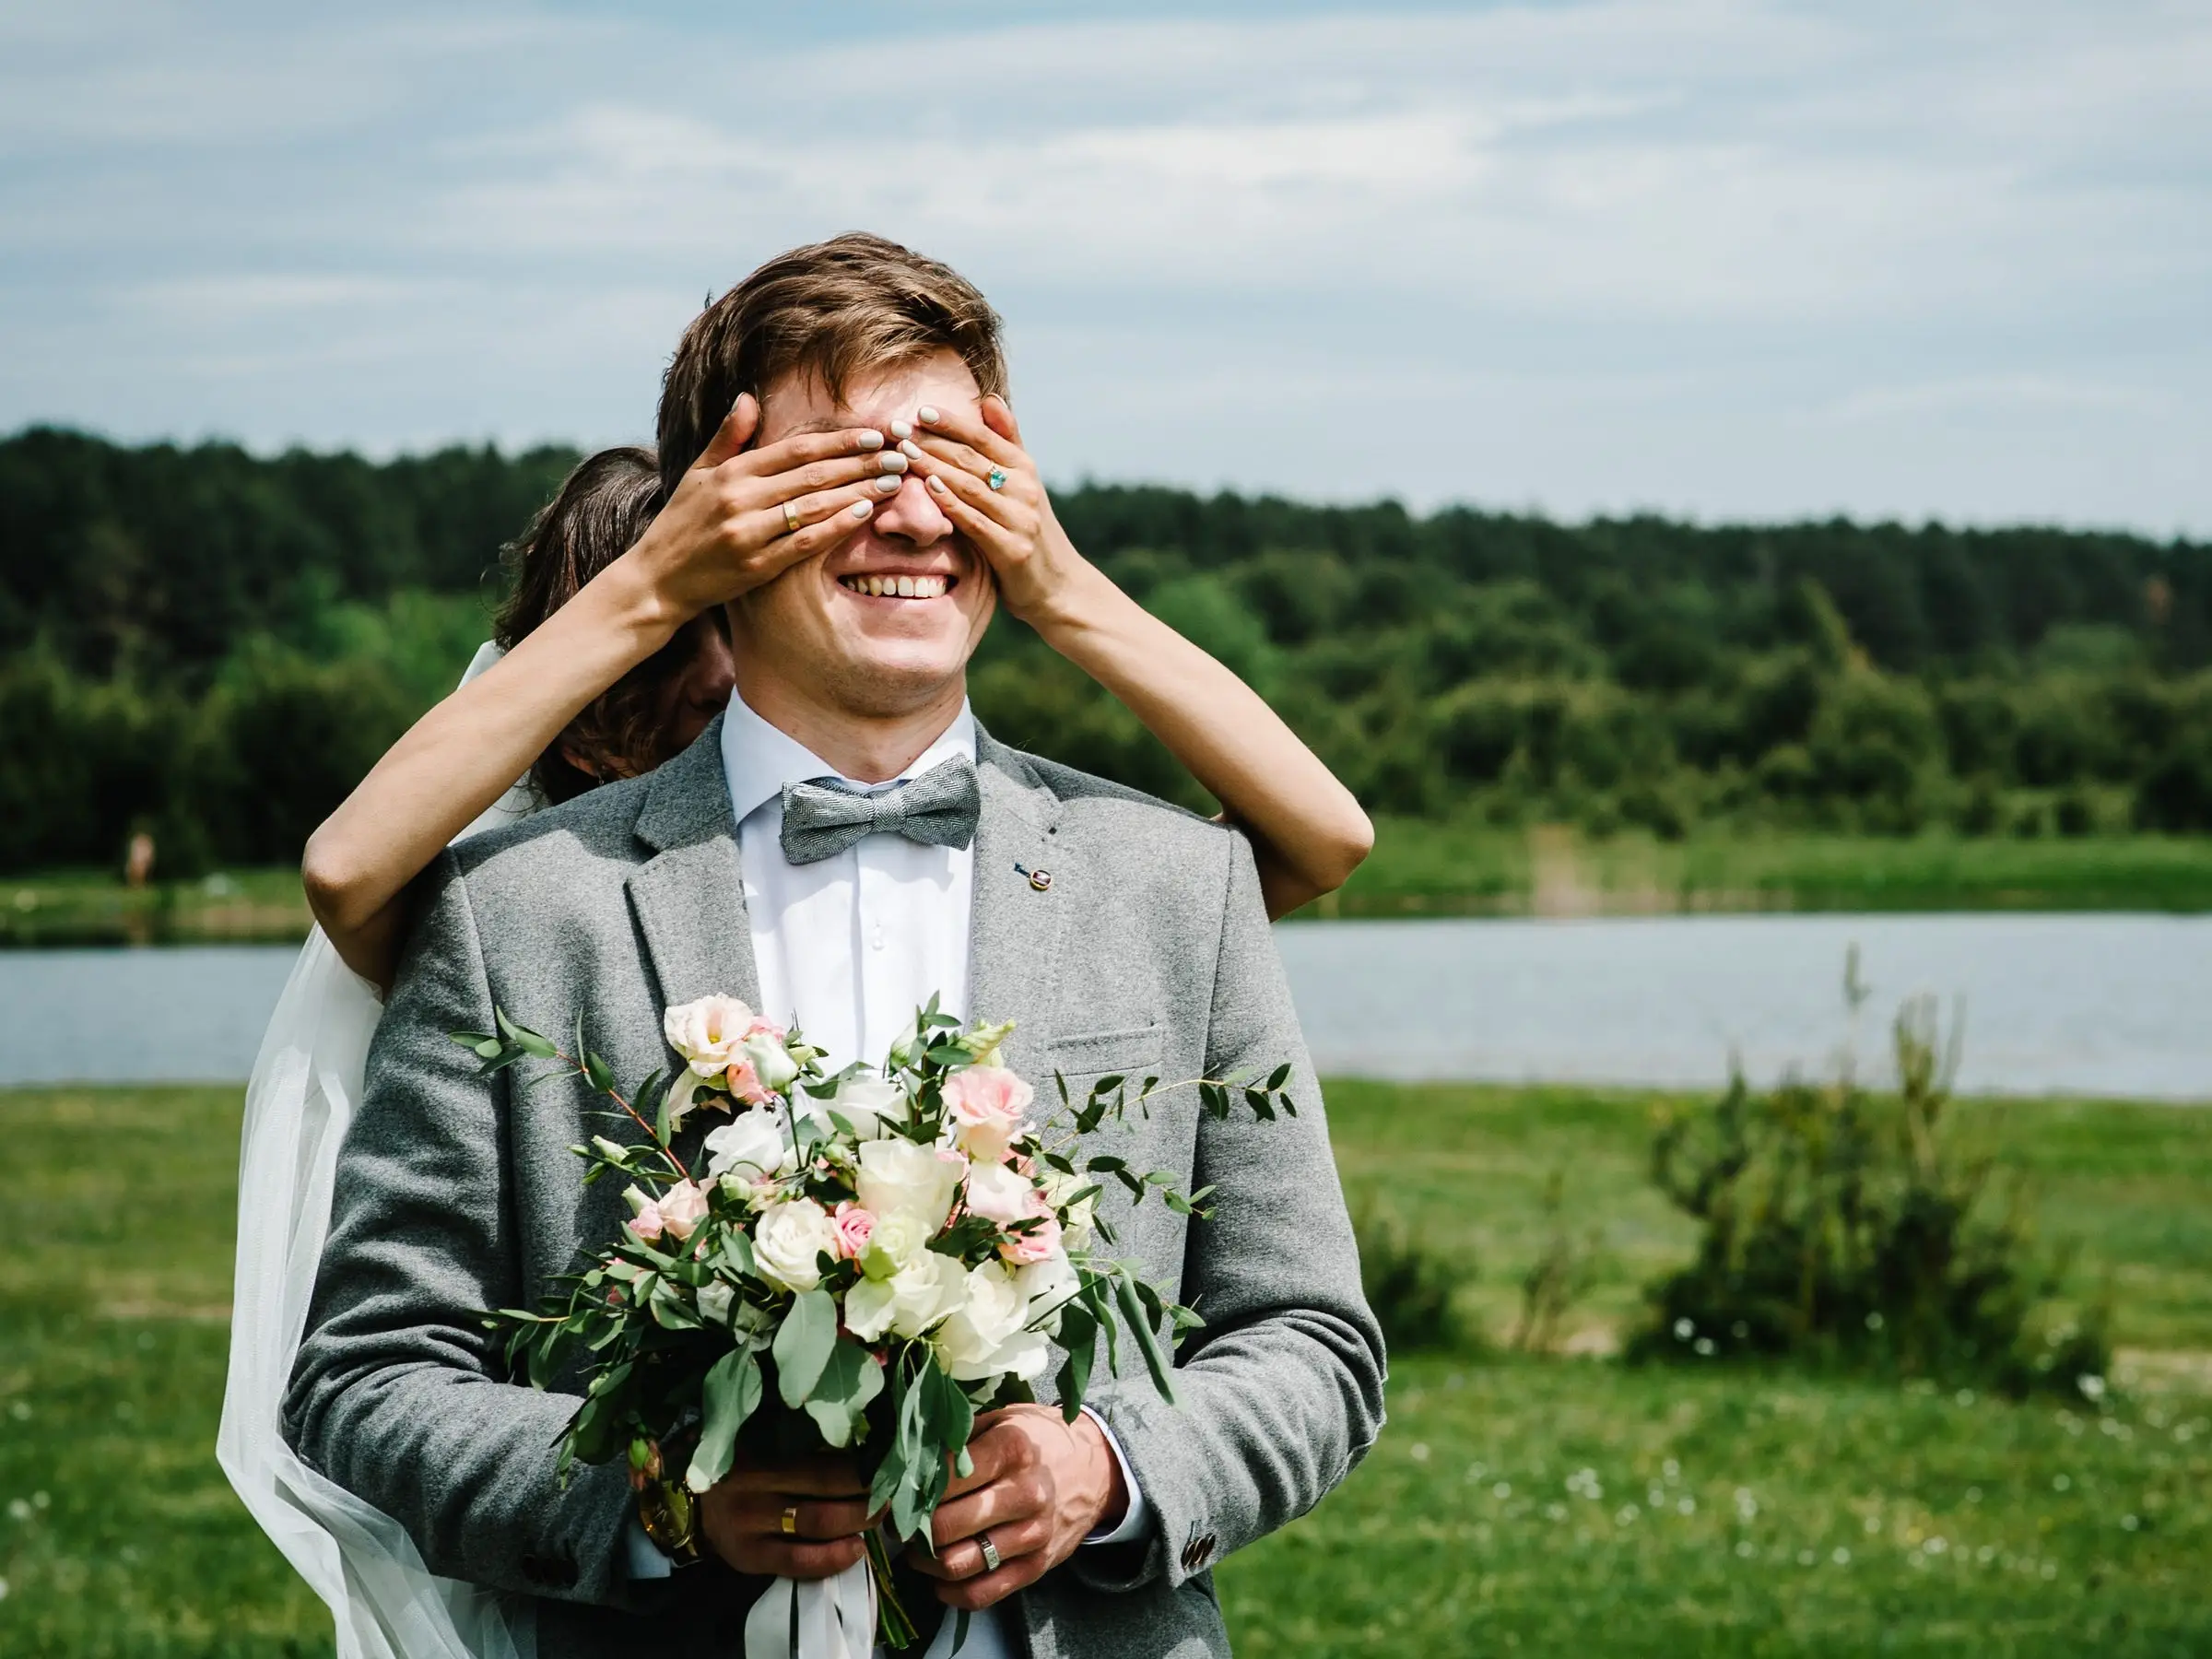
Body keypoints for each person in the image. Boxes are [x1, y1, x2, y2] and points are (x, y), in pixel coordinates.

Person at [275, 232, 1386, 1659]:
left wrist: (1110, 1472)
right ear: (718, 520)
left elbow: (1315, 1343)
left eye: (951, 461)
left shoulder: (1181, 887)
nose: (912, 514)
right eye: (844, 467)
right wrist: (650, 1498)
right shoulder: (517, 912)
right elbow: (367, 1375)